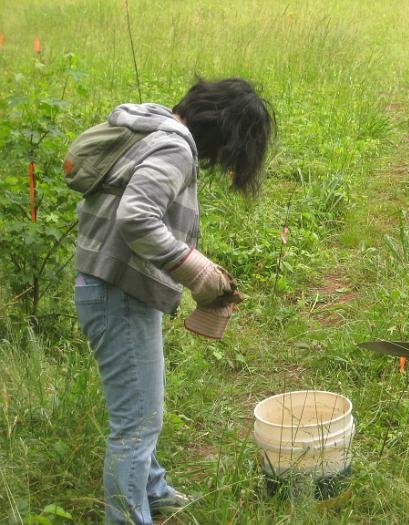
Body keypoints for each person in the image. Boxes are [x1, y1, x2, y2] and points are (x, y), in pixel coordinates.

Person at [73, 78, 274, 523]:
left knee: (144, 406)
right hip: (117, 293)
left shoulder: (151, 130)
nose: (223, 160)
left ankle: (156, 491)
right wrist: (195, 270)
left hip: (106, 287)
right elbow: (136, 216)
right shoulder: (175, 147)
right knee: (136, 426)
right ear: (225, 130)